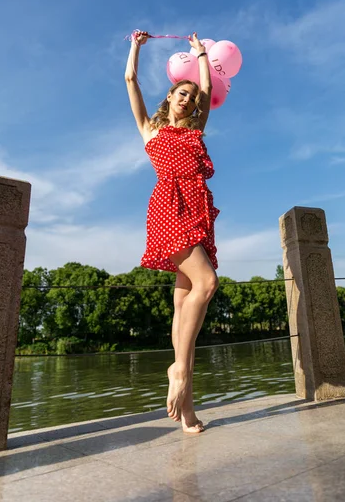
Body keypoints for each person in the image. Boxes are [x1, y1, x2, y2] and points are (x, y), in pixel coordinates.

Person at [124, 30, 219, 433]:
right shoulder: (151, 130)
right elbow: (131, 81)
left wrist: (200, 54)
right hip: (169, 208)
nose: (188, 99)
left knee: (185, 309)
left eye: (192, 98)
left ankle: (188, 412)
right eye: (182, 94)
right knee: (207, 284)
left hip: (198, 211)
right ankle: (178, 370)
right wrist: (136, 48)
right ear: (169, 97)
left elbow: (210, 85)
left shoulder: (196, 131)